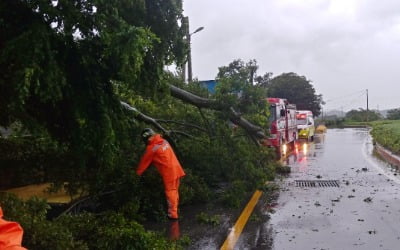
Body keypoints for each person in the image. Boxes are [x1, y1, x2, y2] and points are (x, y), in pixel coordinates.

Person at [136, 128, 185, 220]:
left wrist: (136, 175)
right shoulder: (164, 141)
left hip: (169, 173)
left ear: (147, 139)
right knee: (175, 191)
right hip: (176, 168)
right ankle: (175, 210)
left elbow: (143, 165)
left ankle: (173, 215)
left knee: (170, 192)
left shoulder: (151, 149)